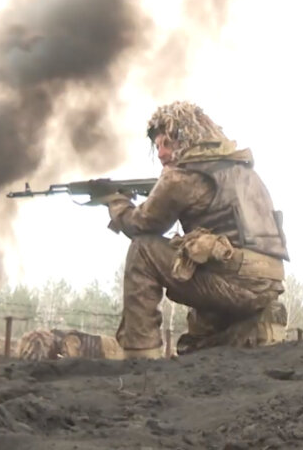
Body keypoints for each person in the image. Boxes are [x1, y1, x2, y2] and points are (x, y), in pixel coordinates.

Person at [104, 101, 289, 359]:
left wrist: (117, 204)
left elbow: (142, 224)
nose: (160, 153)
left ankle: (140, 354)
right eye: (157, 146)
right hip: (267, 284)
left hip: (234, 282)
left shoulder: (183, 175)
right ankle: (248, 326)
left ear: (186, 137)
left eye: (167, 143)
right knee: (197, 337)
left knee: (142, 250)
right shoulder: (243, 170)